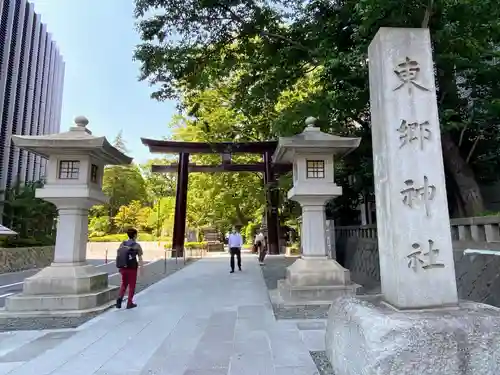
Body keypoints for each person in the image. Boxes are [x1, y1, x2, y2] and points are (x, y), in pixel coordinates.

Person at [115, 228, 144, 309]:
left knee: (124, 284)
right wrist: (141, 269)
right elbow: (140, 258)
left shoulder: (122, 244)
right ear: (135, 235)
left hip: (123, 268)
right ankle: (129, 303)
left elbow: (119, 255)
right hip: (132, 268)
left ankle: (119, 299)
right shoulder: (137, 245)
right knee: (132, 286)